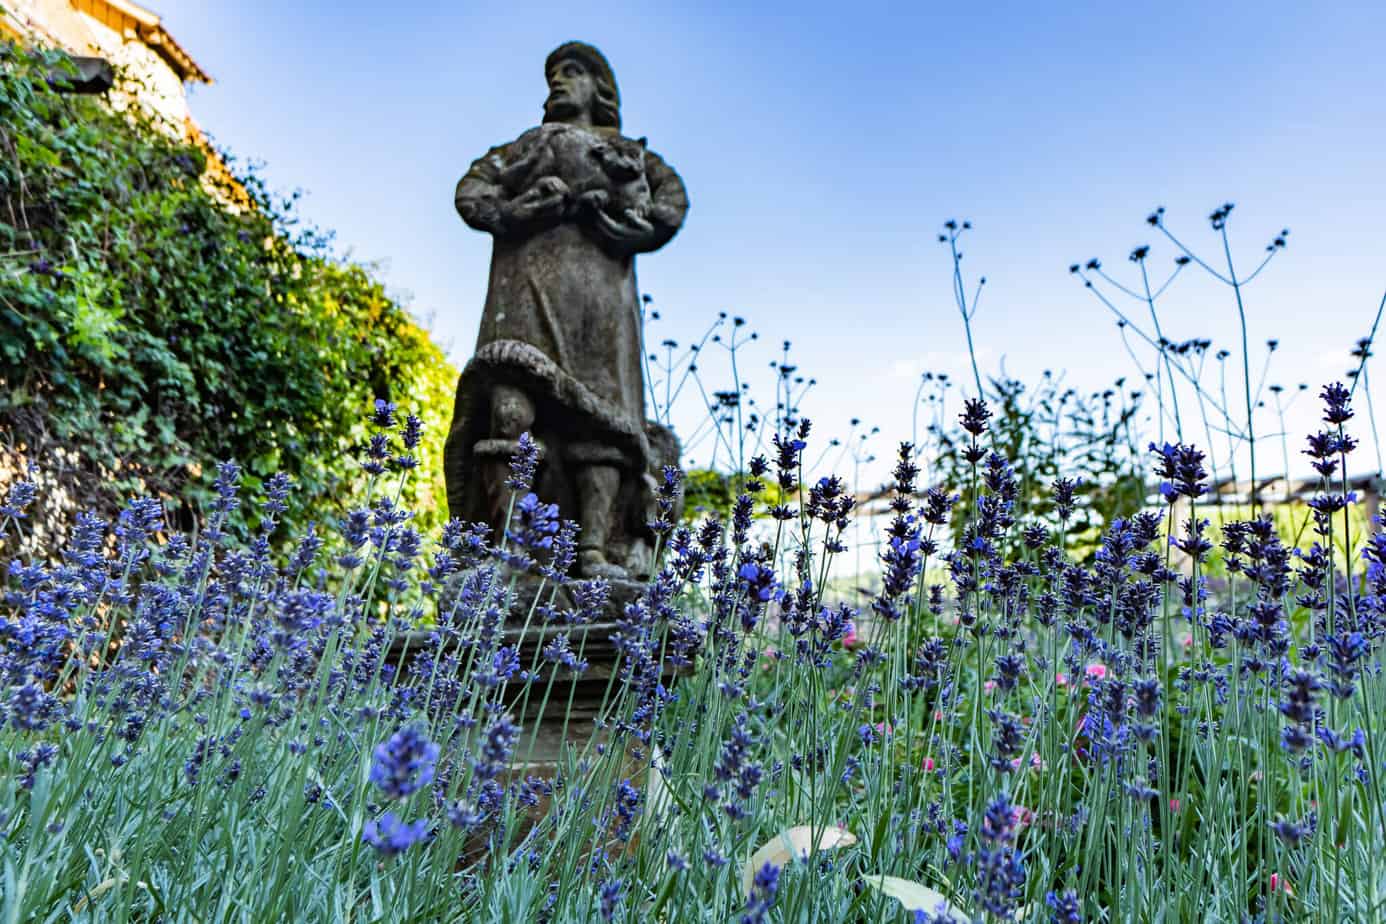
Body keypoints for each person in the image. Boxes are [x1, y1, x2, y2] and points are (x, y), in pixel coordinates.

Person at [446, 42, 688, 578]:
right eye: (553, 74)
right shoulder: (524, 148)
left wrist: (624, 225)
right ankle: (510, 549)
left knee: (602, 425)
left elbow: (672, 204)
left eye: (572, 72)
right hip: (524, 296)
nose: (558, 81)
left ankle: (595, 552)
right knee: (510, 410)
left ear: (599, 89)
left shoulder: (628, 152)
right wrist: (516, 210)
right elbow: (471, 192)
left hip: (598, 308)